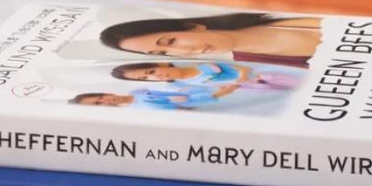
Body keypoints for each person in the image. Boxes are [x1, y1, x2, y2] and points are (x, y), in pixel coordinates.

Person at [99, 12, 323, 68]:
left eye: (170, 42)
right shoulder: (257, 66)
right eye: (164, 54)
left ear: (193, 26)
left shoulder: (283, 13)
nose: (185, 52)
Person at [111, 61, 300, 91]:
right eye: (145, 79)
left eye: (150, 72)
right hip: (250, 90)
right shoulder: (176, 86)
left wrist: (241, 77)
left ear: (160, 63)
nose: (153, 77)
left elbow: (241, 67)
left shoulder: (202, 66)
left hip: (261, 77)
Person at [70, 82, 240, 110]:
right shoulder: (140, 109)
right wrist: (222, 92)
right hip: (214, 100)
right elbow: (184, 107)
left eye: (100, 97)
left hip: (204, 88)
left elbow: (175, 88)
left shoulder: (138, 91)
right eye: (98, 104)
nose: (105, 100)